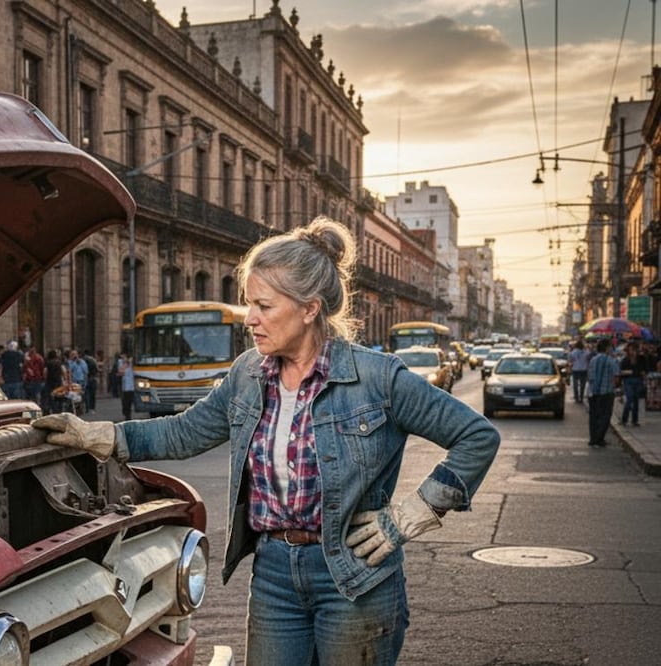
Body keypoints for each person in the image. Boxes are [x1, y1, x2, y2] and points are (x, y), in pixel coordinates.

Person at [33, 217, 500, 664]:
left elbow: (476, 436)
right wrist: (105, 435)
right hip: (275, 572)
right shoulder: (248, 374)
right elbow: (186, 430)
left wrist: (415, 512)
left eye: (264, 305)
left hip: (355, 576)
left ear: (309, 308)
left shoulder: (378, 378)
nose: (249, 318)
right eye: (249, 303)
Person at [587, 337, 620, 447]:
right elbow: (616, 378)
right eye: (610, 347)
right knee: (605, 416)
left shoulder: (593, 360)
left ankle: (593, 439)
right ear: (607, 348)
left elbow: (589, 376)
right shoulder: (612, 361)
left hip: (593, 393)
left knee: (594, 416)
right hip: (606, 392)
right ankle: (599, 439)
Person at [618, 341, 648, 426]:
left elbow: (646, 369)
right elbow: (621, 371)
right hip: (628, 380)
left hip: (638, 380)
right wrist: (627, 372)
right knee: (629, 398)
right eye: (630, 350)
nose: (632, 352)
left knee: (636, 400)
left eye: (634, 349)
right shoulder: (625, 360)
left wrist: (644, 372)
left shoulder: (641, 359)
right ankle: (624, 419)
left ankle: (634, 420)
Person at [43, 349, 67, 414]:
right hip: (58, 382)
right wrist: (64, 379)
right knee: (59, 397)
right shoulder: (59, 363)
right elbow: (64, 371)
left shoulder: (48, 363)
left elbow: (45, 372)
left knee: (50, 398)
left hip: (50, 383)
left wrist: (46, 379)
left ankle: (52, 410)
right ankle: (59, 410)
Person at [568, 339, 590, 404]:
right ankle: (581, 397)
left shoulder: (572, 353)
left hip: (575, 370)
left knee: (575, 385)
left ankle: (577, 398)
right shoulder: (587, 352)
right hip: (584, 370)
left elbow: (570, 361)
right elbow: (588, 361)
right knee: (582, 385)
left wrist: (569, 369)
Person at [118, 353, 135, 420]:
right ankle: (126, 413)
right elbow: (120, 372)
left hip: (130, 388)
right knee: (125, 402)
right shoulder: (123, 368)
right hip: (125, 388)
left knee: (128, 402)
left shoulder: (131, 368)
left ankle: (128, 414)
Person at [82, 349, 99, 413]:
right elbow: (97, 369)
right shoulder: (93, 360)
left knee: (86, 393)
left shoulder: (82, 360)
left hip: (86, 378)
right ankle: (92, 407)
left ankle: (87, 407)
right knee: (92, 394)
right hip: (93, 377)